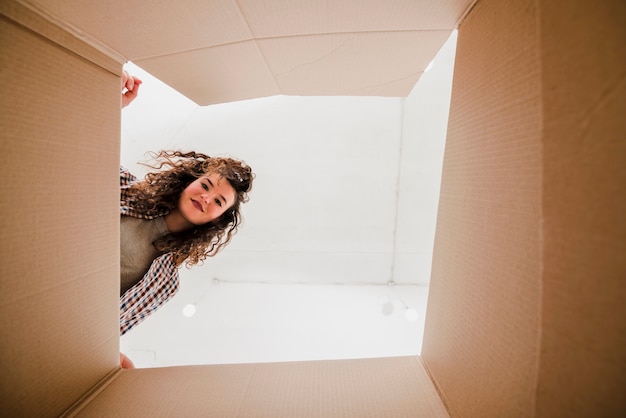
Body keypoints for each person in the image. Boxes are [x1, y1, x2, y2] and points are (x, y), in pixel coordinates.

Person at [118, 72, 254, 367]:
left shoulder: (166, 284)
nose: (206, 198)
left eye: (218, 201)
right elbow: (86, 151)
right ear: (189, 182)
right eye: (206, 186)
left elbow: (112, 330)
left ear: (218, 219)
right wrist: (116, 105)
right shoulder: (127, 188)